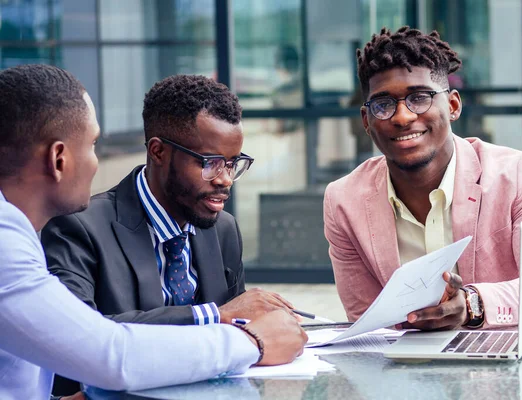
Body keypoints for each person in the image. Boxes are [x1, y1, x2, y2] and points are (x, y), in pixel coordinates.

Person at [0, 64, 307, 400]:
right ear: (59, 158)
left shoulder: (222, 230)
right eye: (92, 144)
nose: (225, 179)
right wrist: (253, 341)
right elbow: (108, 351)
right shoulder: (11, 240)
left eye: (232, 164)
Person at [323, 26, 522, 331]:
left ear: (453, 105)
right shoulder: (344, 200)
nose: (402, 117)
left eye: (419, 98)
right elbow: (367, 322)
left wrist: (473, 303)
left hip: (506, 360)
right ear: (367, 121)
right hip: (406, 367)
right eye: (383, 105)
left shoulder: (520, 174)